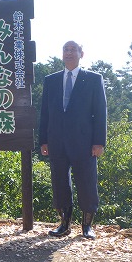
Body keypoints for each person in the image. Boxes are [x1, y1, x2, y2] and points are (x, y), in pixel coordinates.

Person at [38, 41, 107, 240]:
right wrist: (43, 140)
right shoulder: (51, 80)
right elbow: (46, 113)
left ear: (81, 54)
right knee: (59, 182)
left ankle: (87, 226)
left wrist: (99, 142)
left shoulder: (93, 79)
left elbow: (100, 112)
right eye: (65, 50)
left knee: (86, 181)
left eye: (72, 50)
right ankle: (64, 224)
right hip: (56, 140)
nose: (68, 53)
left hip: (85, 142)